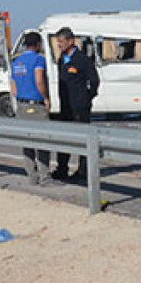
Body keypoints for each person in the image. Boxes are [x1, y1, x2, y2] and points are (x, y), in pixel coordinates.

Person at [50, 27, 100, 181]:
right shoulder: (61, 60)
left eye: (62, 42)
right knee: (64, 139)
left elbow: (94, 81)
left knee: (82, 140)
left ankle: (83, 171)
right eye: (58, 42)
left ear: (71, 41)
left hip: (80, 107)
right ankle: (62, 168)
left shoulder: (82, 59)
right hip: (65, 107)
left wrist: (86, 98)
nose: (59, 45)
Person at [10, 32, 52, 185]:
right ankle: (45, 176)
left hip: (21, 104)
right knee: (42, 141)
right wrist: (46, 98)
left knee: (26, 141)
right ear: (38, 44)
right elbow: (39, 80)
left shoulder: (16, 62)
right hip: (36, 105)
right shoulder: (38, 60)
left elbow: (13, 88)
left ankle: (32, 176)